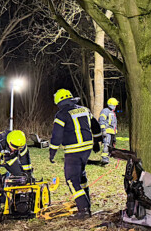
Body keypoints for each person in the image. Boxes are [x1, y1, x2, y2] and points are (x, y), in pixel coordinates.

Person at [50, 89, 102, 220]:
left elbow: (57, 135)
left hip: (73, 150)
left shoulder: (61, 114)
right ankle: (87, 204)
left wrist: (52, 152)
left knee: (71, 180)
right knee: (81, 176)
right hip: (87, 148)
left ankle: (83, 210)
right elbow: (95, 126)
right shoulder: (84, 110)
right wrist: (96, 141)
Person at [0, 130, 31, 217]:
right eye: (14, 147)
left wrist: (28, 173)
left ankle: (19, 200)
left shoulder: (20, 143)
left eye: (18, 148)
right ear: (9, 142)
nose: (15, 149)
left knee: (20, 176)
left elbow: (25, 159)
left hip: (9, 158)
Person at [98, 97, 118, 164]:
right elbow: (101, 120)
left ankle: (108, 157)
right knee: (106, 144)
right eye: (115, 105)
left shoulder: (112, 112)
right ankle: (104, 158)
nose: (115, 106)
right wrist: (103, 130)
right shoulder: (105, 111)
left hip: (111, 132)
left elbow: (114, 123)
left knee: (110, 145)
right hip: (107, 131)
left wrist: (115, 132)